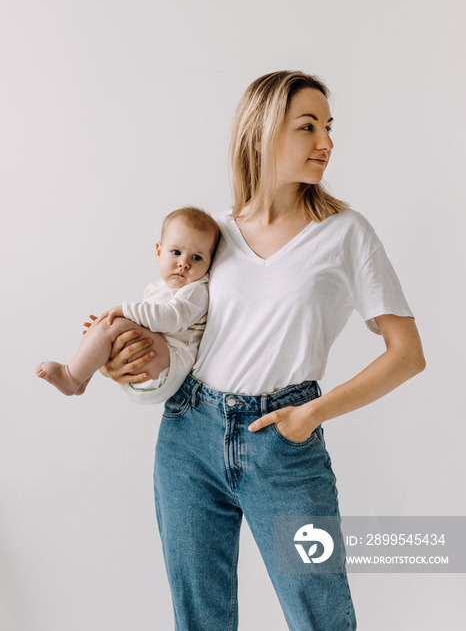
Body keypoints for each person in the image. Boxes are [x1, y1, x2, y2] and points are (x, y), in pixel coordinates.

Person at [98, 71, 426, 631]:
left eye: (327, 127)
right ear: (261, 134)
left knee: (321, 615)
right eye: (307, 127)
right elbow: (172, 332)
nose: (326, 142)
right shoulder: (211, 237)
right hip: (188, 437)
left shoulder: (345, 233)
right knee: (200, 618)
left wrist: (313, 413)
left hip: (285, 444)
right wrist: (124, 363)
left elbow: (407, 353)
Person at [36, 206, 220, 401]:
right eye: (176, 252)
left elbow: (172, 318)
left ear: (210, 263)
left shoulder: (197, 290)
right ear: (159, 252)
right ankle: (82, 377)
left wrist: (123, 311)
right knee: (107, 326)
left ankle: (70, 376)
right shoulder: (155, 288)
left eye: (197, 257)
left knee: (114, 323)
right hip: (150, 365)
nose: (184, 263)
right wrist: (105, 335)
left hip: (170, 366)